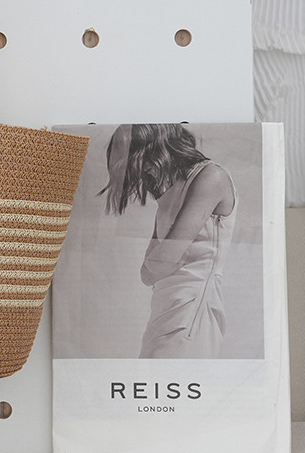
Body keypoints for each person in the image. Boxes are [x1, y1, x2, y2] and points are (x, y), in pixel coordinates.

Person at [101, 124, 237, 358]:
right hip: (163, 311)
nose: (144, 171)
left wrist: (161, 262)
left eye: (143, 160)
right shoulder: (169, 194)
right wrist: (161, 262)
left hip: (192, 313)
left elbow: (161, 262)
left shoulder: (211, 176)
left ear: (160, 147)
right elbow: (146, 274)